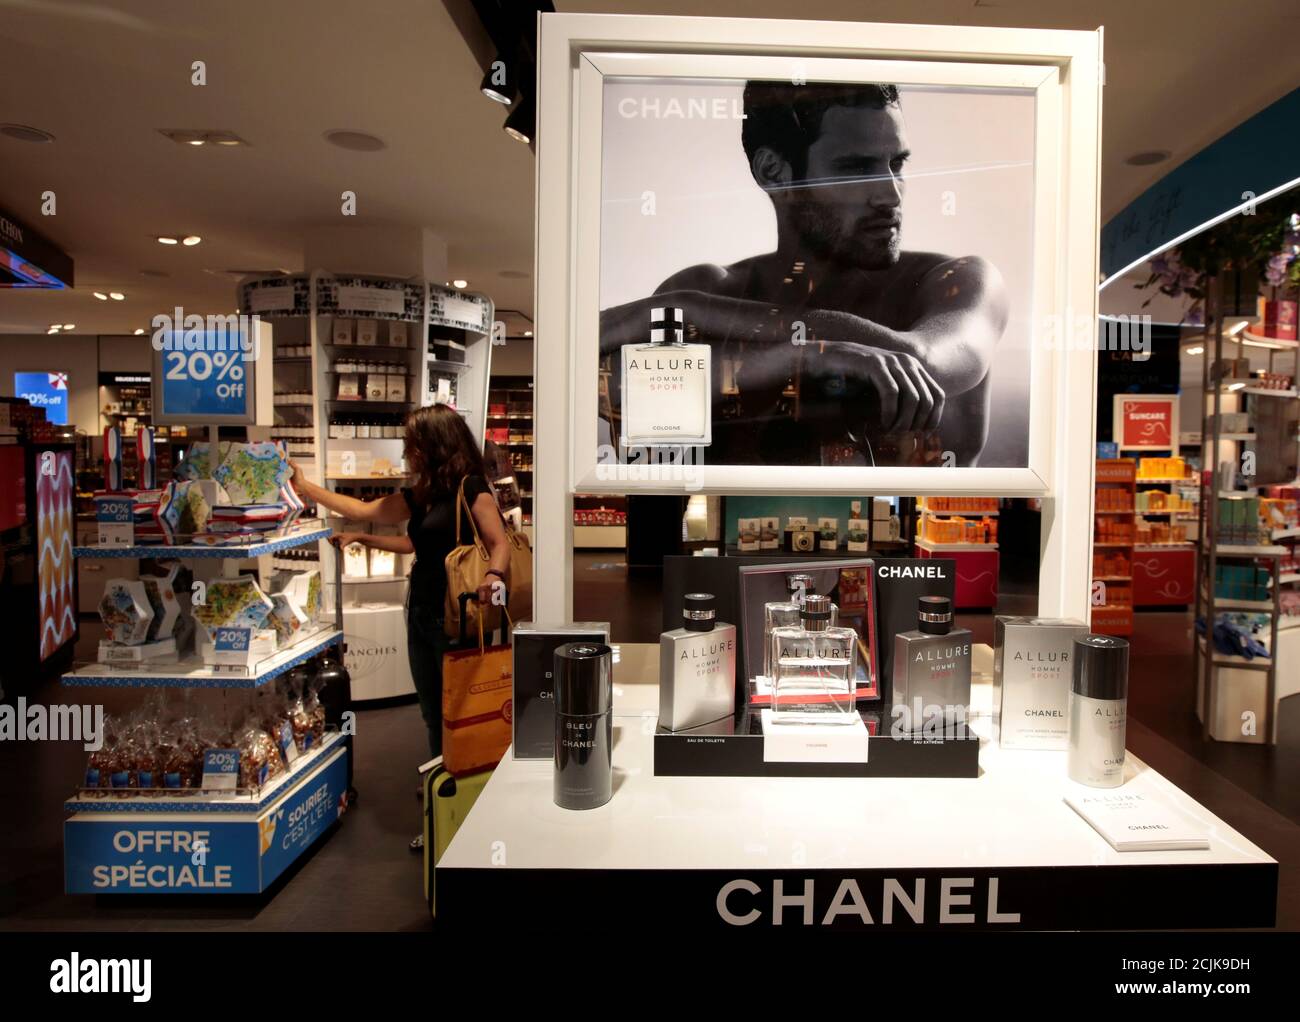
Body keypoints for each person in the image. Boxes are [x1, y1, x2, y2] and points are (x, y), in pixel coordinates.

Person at [599, 80, 1009, 467]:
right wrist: (800, 357)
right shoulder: (704, 289)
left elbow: (917, 362)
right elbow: (636, 425)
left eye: (896, 163)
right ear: (774, 172)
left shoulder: (956, 283)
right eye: (856, 168)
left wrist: (689, 311)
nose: (891, 192)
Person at [290, 404, 512, 764]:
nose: (408, 450)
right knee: (430, 708)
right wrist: (357, 533)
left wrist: (493, 575)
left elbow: (498, 542)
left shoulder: (470, 488)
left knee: (456, 704)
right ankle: (441, 776)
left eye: (413, 442)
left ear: (435, 444)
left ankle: (462, 773)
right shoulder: (421, 495)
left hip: (456, 612)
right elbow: (369, 514)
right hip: (421, 612)